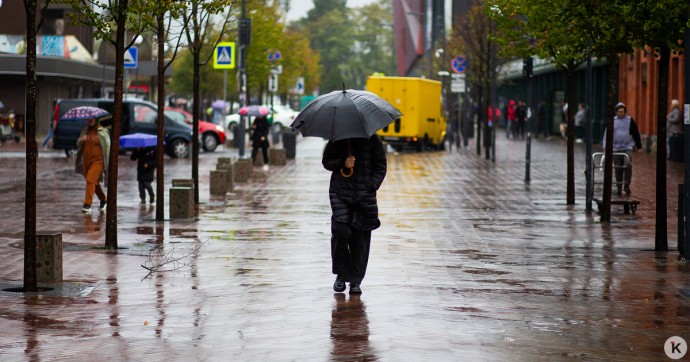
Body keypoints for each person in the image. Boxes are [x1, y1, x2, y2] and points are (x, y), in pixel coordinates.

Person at [322, 134, 387, 295]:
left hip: (364, 195)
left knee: (361, 238)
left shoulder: (373, 139)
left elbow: (381, 164)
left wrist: (372, 185)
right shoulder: (337, 138)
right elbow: (327, 162)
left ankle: (356, 280)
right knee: (341, 231)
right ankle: (341, 275)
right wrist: (343, 163)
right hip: (340, 192)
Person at [602, 102, 642, 196]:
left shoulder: (629, 120)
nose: (621, 113)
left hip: (627, 147)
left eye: (622, 112)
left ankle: (627, 185)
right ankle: (619, 187)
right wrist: (605, 146)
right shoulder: (612, 121)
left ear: (625, 112)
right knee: (618, 168)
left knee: (627, 165)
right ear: (616, 112)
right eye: (619, 112)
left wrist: (638, 145)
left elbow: (635, 133)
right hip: (615, 148)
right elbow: (606, 134)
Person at [76, 117, 110, 213]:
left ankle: (87, 205)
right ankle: (103, 199)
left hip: (98, 162)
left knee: (90, 180)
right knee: (93, 182)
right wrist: (82, 139)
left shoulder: (102, 132)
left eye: (92, 119)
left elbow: (107, 148)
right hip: (87, 162)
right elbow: (78, 144)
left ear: (97, 119)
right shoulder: (85, 130)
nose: (90, 120)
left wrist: (107, 164)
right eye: (88, 119)